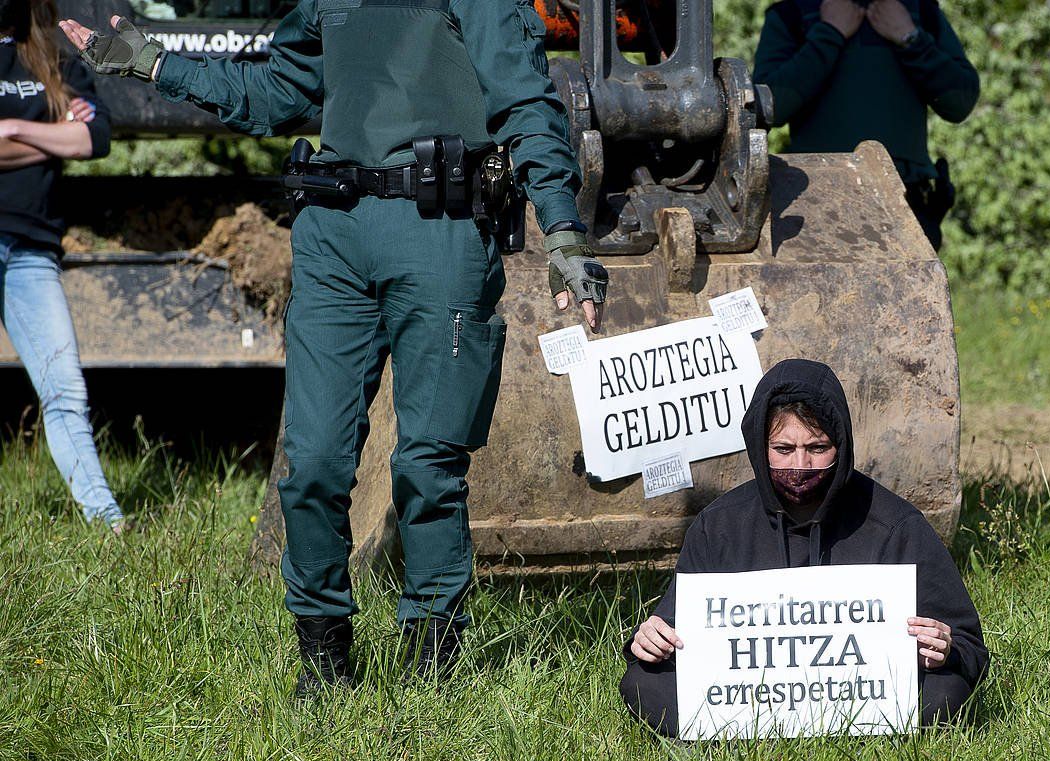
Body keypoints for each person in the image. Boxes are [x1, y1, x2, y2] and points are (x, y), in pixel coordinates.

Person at [58, 0, 610, 697]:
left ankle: (433, 667)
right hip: (332, 238)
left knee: (428, 464)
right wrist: (153, 62)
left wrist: (562, 231)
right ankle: (323, 663)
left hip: (439, 233)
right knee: (312, 459)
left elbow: (527, 105)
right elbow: (273, 92)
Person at [619, 359, 988, 736]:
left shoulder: (896, 525)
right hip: (747, 699)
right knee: (643, 682)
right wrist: (648, 639)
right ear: (758, 447)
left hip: (863, 698)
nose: (801, 465)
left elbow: (969, 645)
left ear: (840, 445)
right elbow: (673, 629)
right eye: (782, 448)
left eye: (817, 447)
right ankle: (747, 735)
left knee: (947, 690)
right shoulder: (719, 526)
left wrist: (945, 648)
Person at [1, 0, 123, 530]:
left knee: (65, 390)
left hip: (32, 248)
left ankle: (108, 522)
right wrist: (51, 138)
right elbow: (69, 141)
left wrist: (11, 131)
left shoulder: (54, 59)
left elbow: (94, 139)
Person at [752, 0, 979, 250]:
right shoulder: (793, 13)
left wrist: (910, 37)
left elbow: (960, 101)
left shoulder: (920, 11)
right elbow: (766, 108)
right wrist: (828, 35)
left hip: (906, 208)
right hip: (816, 210)